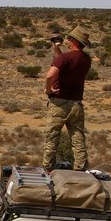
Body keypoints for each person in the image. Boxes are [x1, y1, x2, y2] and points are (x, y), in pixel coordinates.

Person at [42, 26, 92, 171]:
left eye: (69, 38)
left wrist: (48, 89)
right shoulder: (86, 59)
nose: (67, 40)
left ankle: (48, 168)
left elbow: (50, 75)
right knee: (77, 137)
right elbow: (64, 62)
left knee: (52, 137)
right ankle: (80, 168)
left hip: (59, 104)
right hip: (76, 103)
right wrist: (56, 48)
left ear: (74, 41)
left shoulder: (66, 57)